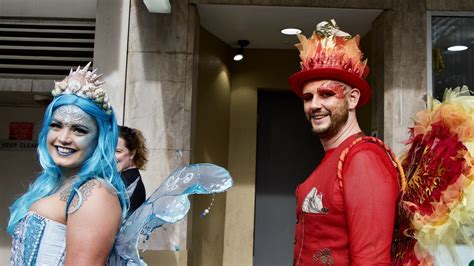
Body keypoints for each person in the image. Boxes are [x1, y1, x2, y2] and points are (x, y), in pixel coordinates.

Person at [289, 20, 402, 265]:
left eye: (327, 94)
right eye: (308, 97)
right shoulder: (335, 156)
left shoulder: (363, 159)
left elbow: (371, 261)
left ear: (352, 99)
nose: (315, 105)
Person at [8, 63, 128, 265]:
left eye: (79, 130)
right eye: (56, 126)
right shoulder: (53, 184)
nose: (63, 138)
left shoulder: (95, 193)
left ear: (99, 139)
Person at [116, 125, 147, 214]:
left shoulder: (127, 181)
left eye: (118, 151)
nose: (111, 157)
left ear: (132, 153)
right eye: (108, 151)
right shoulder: (128, 177)